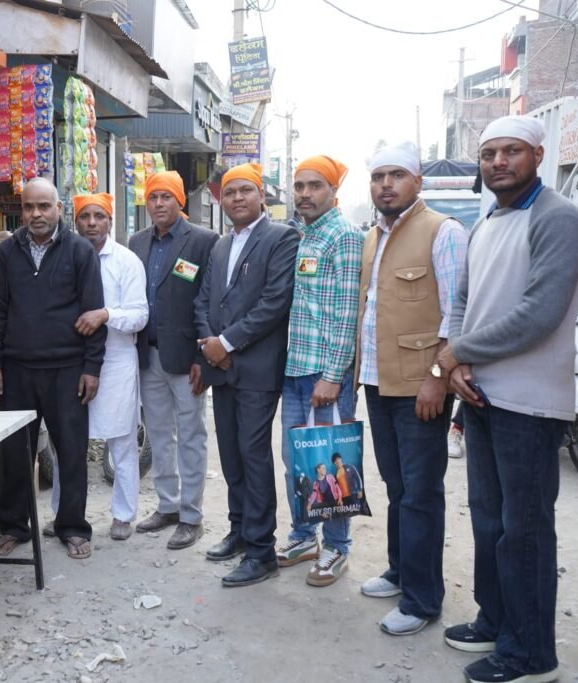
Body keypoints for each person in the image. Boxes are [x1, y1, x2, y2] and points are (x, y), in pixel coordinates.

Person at [437, 116, 578, 683]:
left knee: (523, 530)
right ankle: (495, 620)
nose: (499, 161)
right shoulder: (487, 222)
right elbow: (463, 302)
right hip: (481, 394)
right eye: (489, 153)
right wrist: (455, 361)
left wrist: (456, 354)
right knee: (489, 521)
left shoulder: (558, 218)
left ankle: (530, 655)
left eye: (512, 151)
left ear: (537, 155)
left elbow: (538, 315)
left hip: (529, 402)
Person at [356, 141, 467, 636]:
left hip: (421, 387)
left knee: (421, 492)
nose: (386, 185)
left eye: (396, 175)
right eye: (378, 177)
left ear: (417, 182)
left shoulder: (443, 231)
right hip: (378, 382)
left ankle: (423, 600)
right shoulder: (372, 238)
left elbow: (457, 314)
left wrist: (437, 379)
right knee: (398, 487)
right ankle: (400, 572)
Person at [0, 177, 105, 560]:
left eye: (44, 206)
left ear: (59, 209)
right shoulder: (8, 252)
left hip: (67, 370)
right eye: (29, 207)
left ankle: (73, 527)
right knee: (14, 454)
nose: (36, 214)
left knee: (71, 451)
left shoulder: (80, 251)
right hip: (17, 370)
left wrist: (91, 367)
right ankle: (14, 526)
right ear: (21, 211)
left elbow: (93, 312)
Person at [194, 162, 299, 587]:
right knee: (231, 455)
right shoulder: (221, 245)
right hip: (220, 366)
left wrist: (227, 342)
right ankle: (238, 530)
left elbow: (275, 302)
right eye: (230, 192)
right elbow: (203, 299)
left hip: (256, 368)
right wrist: (210, 345)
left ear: (261, 196)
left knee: (254, 456)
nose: (237, 198)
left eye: (245, 190)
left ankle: (261, 550)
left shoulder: (281, 238)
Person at [277, 154, 362, 587]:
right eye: (299, 186)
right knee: (297, 462)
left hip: (325, 375)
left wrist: (333, 375)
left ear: (334, 190)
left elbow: (347, 313)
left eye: (315, 186)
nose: (305, 194)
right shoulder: (305, 235)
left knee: (332, 462)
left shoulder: (344, 236)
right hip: (295, 369)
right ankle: (303, 536)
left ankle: (337, 546)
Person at [127, 171, 218, 550]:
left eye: (166, 196)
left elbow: (210, 301)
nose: (159, 203)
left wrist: (203, 356)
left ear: (179, 200)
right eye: (153, 197)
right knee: (160, 435)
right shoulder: (137, 242)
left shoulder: (203, 241)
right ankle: (167, 506)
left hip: (186, 359)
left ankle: (191, 515)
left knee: (191, 435)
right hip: (147, 356)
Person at [63, 192, 149, 540]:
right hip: (71, 362)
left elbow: (140, 315)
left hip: (116, 363)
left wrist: (106, 315)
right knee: (68, 442)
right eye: (85, 217)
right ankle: (65, 514)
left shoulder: (126, 261)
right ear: (75, 222)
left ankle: (123, 516)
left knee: (122, 442)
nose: (92, 223)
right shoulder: (64, 257)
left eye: (99, 216)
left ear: (110, 221)